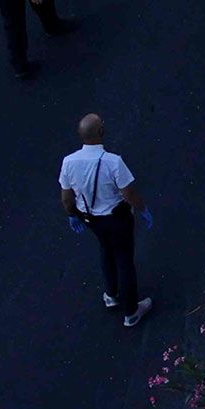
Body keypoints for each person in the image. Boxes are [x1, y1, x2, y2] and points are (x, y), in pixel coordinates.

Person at [58, 113, 154, 326]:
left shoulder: (68, 162)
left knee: (105, 250)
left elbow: (66, 198)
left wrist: (73, 215)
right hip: (117, 219)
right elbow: (128, 193)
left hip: (91, 220)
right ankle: (132, 311)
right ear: (100, 132)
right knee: (124, 260)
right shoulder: (113, 162)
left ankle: (111, 294)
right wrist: (143, 209)